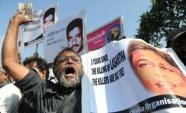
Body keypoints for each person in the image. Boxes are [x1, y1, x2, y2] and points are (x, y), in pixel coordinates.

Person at [2, 10, 83, 113]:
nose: (70, 61)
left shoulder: (94, 89)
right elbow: (9, 62)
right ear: (55, 69)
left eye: (75, 59)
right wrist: (14, 23)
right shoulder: (41, 90)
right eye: (64, 60)